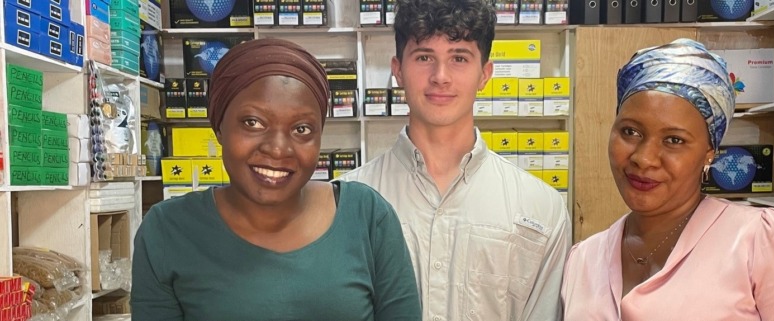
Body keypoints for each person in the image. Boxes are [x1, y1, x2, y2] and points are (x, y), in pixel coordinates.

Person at [131, 38, 421, 321]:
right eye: (253, 123)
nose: (278, 148)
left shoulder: (367, 217)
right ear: (219, 126)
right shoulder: (168, 230)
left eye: (302, 129)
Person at [561, 38, 774, 320]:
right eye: (631, 132)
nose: (644, 158)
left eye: (674, 140)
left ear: (709, 153)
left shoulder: (764, 243)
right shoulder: (583, 259)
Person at [336, 0, 571, 320]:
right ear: (397, 71)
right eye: (424, 57)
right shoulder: (346, 201)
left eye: (459, 57)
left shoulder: (540, 208)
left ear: (485, 74)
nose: (440, 76)